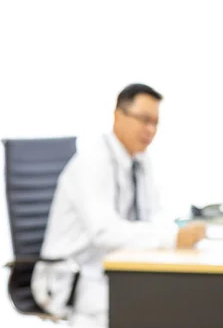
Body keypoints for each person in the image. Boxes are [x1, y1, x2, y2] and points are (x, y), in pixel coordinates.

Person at [31, 83, 206, 327]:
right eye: (144, 119)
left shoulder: (140, 161)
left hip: (112, 269)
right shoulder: (93, 162)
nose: (150, 130)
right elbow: (105, 232)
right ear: (118, 116)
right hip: (74, 277)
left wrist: (177, 230)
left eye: (155, 122)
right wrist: (171, 238)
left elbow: (152, 215)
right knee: (152, 307)